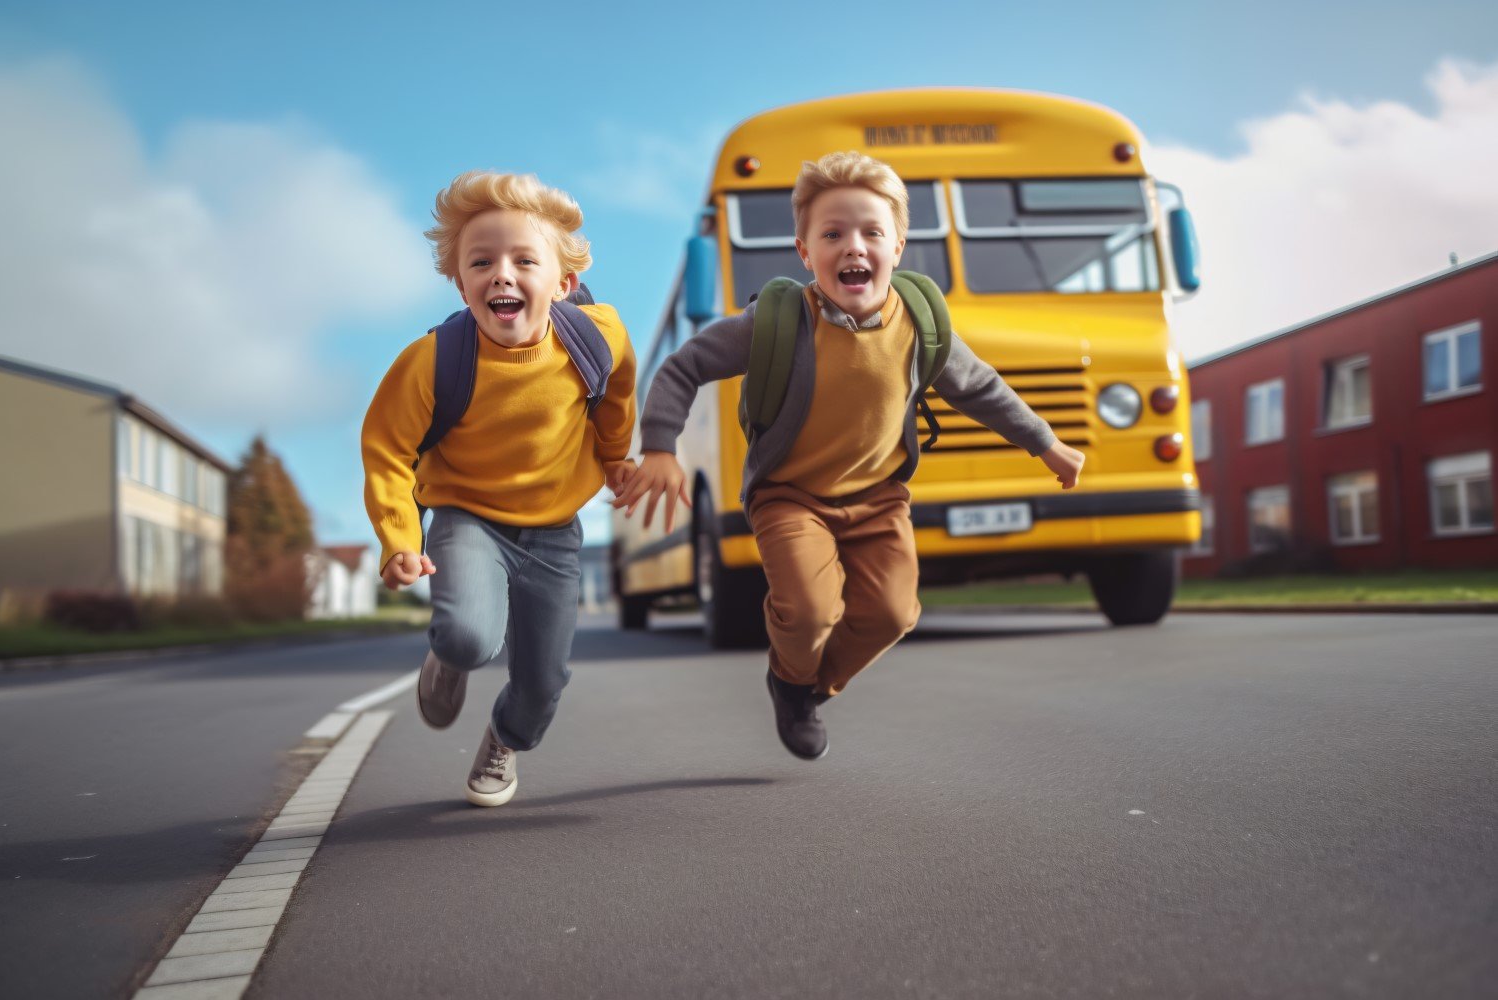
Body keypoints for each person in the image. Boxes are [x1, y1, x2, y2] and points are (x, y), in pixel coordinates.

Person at [614, 151, 1083, 760]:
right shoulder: (778, 322)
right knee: (809, 611)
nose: (852, 247)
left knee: (892, 613)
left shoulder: (920, 323)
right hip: (790, 496)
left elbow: (981, 388)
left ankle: (802, 688)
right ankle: (792, 673)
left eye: (870, 232)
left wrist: (1046, 443)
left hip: (879, 497)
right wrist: (658, 447)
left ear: (898, 244)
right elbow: (684, 367)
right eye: (832, 234)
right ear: (805, 253)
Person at [363, 171, 636, 805]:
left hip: (554, 532)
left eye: (523, 260)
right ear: (460, 282)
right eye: (481, 262)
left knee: (543, 683)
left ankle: (504, 739)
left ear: (563, 285)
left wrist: (617, 456)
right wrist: (399, 539)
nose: (501, 275)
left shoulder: (596, 336)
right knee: (469, 635)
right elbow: (387, 453)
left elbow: (617, 390)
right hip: (467, 516)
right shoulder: (430, 362)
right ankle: (448, 659)